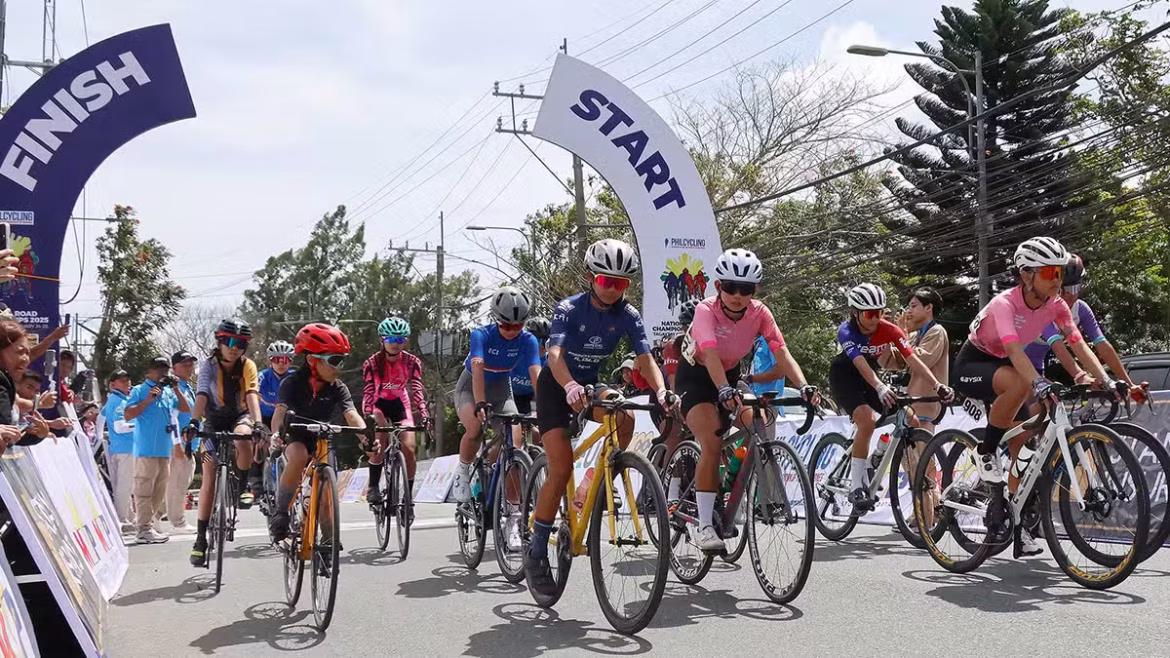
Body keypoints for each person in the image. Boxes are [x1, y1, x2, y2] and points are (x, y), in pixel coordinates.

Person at [524, 238, 677, 595]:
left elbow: (645, 359)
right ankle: (535, 550)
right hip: (556, 386)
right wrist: (569, 386)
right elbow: (555, 354)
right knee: (560, 468)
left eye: (621, 284)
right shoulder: (569, 308)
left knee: (621, 413)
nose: (612, 290)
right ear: (591, 277)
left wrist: (661, 391)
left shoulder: (629, 316)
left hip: (589, 385)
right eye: (607, 281)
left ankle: (607, 475)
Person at [952, 237, 1117, 557]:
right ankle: (986, 451)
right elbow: (1014, 351)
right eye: (1049, 273)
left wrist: (1105, 379)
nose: (1058, 280)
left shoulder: (1055, 305)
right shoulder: (1005, 304)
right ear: (1026, 275)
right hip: (973, 363)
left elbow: (1079, 344)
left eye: (1059, 273)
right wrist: (1040, 384)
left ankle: (1017, 525)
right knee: (1023, 384)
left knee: (1025, 453)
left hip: (1007, 366)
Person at [675, 249, 820, 551]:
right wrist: (724, 390)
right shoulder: (705, 310)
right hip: (698, 376)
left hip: (728, 375)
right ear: (718, 287)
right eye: (730, 287)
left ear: (755, 290)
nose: (738, 295)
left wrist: (804, 386)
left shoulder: (760, 313)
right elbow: (711, 352)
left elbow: (781, 352)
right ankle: (703, 525)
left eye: (746, 289)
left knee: (760, 420)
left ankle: (730, 490)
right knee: (712, 441)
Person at [829, 282, 953, 514]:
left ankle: (878, 457)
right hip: (845, 376)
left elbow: (913, 360)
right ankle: (857, 487)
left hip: (870, 378)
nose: (876, 318)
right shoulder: (847, 330)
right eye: (870, 313)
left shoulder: (889, 330)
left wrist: (938, 385)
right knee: (866, 419)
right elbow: (859, 363)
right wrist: (879, 386)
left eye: (879, 312)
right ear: (855, 312)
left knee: (910, 418)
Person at [267, 323, 365, 555]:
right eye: (334, 360)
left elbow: (352, 415)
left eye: (342, 360)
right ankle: (281, 513)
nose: (339, 367)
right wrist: (276, 435)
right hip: (295, 435)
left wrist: (366, 436)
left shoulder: (337, 387)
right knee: (299, 455)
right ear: (312, 360)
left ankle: (328, 537)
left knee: (325, 486)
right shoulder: (291, 383)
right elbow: (279, 415)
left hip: (322, 438)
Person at [452, 287, 541, 503]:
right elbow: (478, 368)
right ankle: (463, 470)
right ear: (496, 318)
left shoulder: (528, 340)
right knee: (474, 428)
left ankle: (512, 509)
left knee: (514, 443)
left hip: (502, 389)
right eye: (507, 325)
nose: (512, 331)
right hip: (471, 387)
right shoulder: (480, 335)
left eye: (518, 326)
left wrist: (545, 405)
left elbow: (536, 373)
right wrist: (481, 402)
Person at [187, 319, 263, 567]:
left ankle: (242, 487)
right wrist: (194, 422)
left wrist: (259, 423)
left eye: (240, 344)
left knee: (243, 437)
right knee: (208, 475)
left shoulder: (248, 366)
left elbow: (252, 394)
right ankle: (200, 540)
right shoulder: (208, 366)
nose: (234, 348)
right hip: (214, 419)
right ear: (219, 341)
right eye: (229, 342)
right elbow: (201, 395)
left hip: (241, 415)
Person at [1031, 254, 1150, 404]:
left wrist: (1127, 384)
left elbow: (1101, 345)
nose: (1068, 296)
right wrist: (1081, 376)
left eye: (1073, 288)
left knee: (1053, 414)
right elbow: (1059, 348)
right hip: (1009, 364)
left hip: (1035, 368)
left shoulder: (1080, 310)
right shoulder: (1041, 310)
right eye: (1061, 290)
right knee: (1046, 406)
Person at [361, 316, 430, 507]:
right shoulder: (372, 363)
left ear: (406, 341)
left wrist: (423, 413)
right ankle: (373, 487)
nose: (395, 344)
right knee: (379, 442)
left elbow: (416, 388)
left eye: (400, 340)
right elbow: (368, 392)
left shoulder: (411, 361)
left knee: (409, 447)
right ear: (382, 340)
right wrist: (368, 417)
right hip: (377, 403)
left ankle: (408, 498)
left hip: (400, 402)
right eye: (391, 339)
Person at [122, 356, 191, 544]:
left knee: (159, 492)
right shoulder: (139, 390)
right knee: (144, 490)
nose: (162, 372)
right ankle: (143, 529)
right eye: (158, 369)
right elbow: (128, 414)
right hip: (146, 450)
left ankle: (148, 525)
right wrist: (147, 400)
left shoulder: (168, 392)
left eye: (165, 369)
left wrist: (176, 388)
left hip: (164, 449)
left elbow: (186, 409)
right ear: (149, 371)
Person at [877, 287, 950, 430]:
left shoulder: (937, 331)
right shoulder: (914, 335)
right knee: (912, 450)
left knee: (922, 450)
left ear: (929, 307)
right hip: (913, 403)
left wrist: (902, 333)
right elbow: (889, 361)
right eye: (908, 306)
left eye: (914, 306)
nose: (908, 311)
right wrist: (883, 334)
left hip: (927, 402)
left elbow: (921, 360)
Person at [252, 340, 295, 498]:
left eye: (285, 359)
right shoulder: (262, 376)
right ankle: (255, 477)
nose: (281, 364)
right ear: (270, 360)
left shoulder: (294, 377)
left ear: (290, 361)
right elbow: (253, 396)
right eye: (276, 359)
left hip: (286, 416)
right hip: (265, 415)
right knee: (261, 441)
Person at [165, 351, 198, 533]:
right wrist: (177, 444)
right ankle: (178, 521)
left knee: (182, 480)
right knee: (177, 482)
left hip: (190, 443)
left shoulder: (187, 387)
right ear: (174, 368)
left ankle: (161, 516)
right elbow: (172, 417)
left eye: (190, 364)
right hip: (179, 444)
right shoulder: (173, 389)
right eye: (185, 364)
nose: (189, 367)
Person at [103, 370, 136, 532]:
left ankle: (128, 516)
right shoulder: (118, 401)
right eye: (122, 381)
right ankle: (121, 518)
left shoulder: (115, 400)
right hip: (125, 448)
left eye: (128, 380)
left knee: (124, 484)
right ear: (113, 384)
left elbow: (101, 417)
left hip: (120, 448)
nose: (126, 383)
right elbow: (119, 426)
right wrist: (139, 426)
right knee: (125, 485)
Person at [509, 316, 549, 446]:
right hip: (509, 394)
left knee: (538, 435)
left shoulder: (547, 359)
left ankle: (534, 463)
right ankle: (497, 464)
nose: (544, 347)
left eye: (548, 343)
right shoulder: (514, 353)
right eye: (540, 342)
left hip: (527, 397)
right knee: (515, 435)